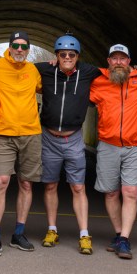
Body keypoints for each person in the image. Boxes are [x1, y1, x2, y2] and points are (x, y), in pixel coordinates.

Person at [88, 44, 137, 260]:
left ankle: (124, 239)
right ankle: (119, 233)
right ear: (108, 62)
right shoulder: (98, 81)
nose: (119, 62)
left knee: (130, 191)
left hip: (135, 146)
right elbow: (71, 75)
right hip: (108, 145)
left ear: (129, 61)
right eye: (114, 58)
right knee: (111, 193)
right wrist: (54, 62)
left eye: (123, 58)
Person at [34, 34, 104, 255]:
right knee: (50, 185)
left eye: (71, 54)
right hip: (49, 138)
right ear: (56, 55)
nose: (67, 57)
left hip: (73, 139)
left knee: (78, 187)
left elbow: (117, 70)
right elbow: (15, 68)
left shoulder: (88, 72)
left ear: (77, 56)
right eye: (62, 54)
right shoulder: (45, 70)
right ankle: (52, 230)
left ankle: (84, 234)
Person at [0, 32, 42, 257]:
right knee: (0, 183)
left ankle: (18, 233)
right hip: (5, 134)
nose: (19, 50)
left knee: (26, 184)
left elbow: (54, 82)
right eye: (16, 45)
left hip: (31, 133)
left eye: (24, 47)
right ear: (9, 47)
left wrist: (57, 61)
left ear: (28, 49)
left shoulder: (33, 70)